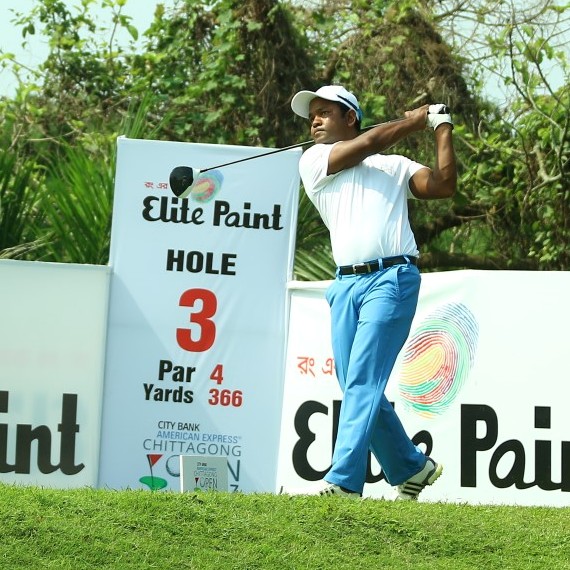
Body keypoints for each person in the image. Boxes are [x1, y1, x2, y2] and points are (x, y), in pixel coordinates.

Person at [289, 85, 457, 500]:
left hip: (391, 278)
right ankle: (411, 467)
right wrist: (415, 120)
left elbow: (443, 185)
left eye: (325, 113)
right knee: (356, 385)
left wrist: (441, 127)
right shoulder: (314, 160)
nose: (314, 121)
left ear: (350, 117)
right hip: (345, 286)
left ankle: (344, 481)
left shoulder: (394, 166)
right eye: (312, 115)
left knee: (363, 379)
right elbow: (368, 143)